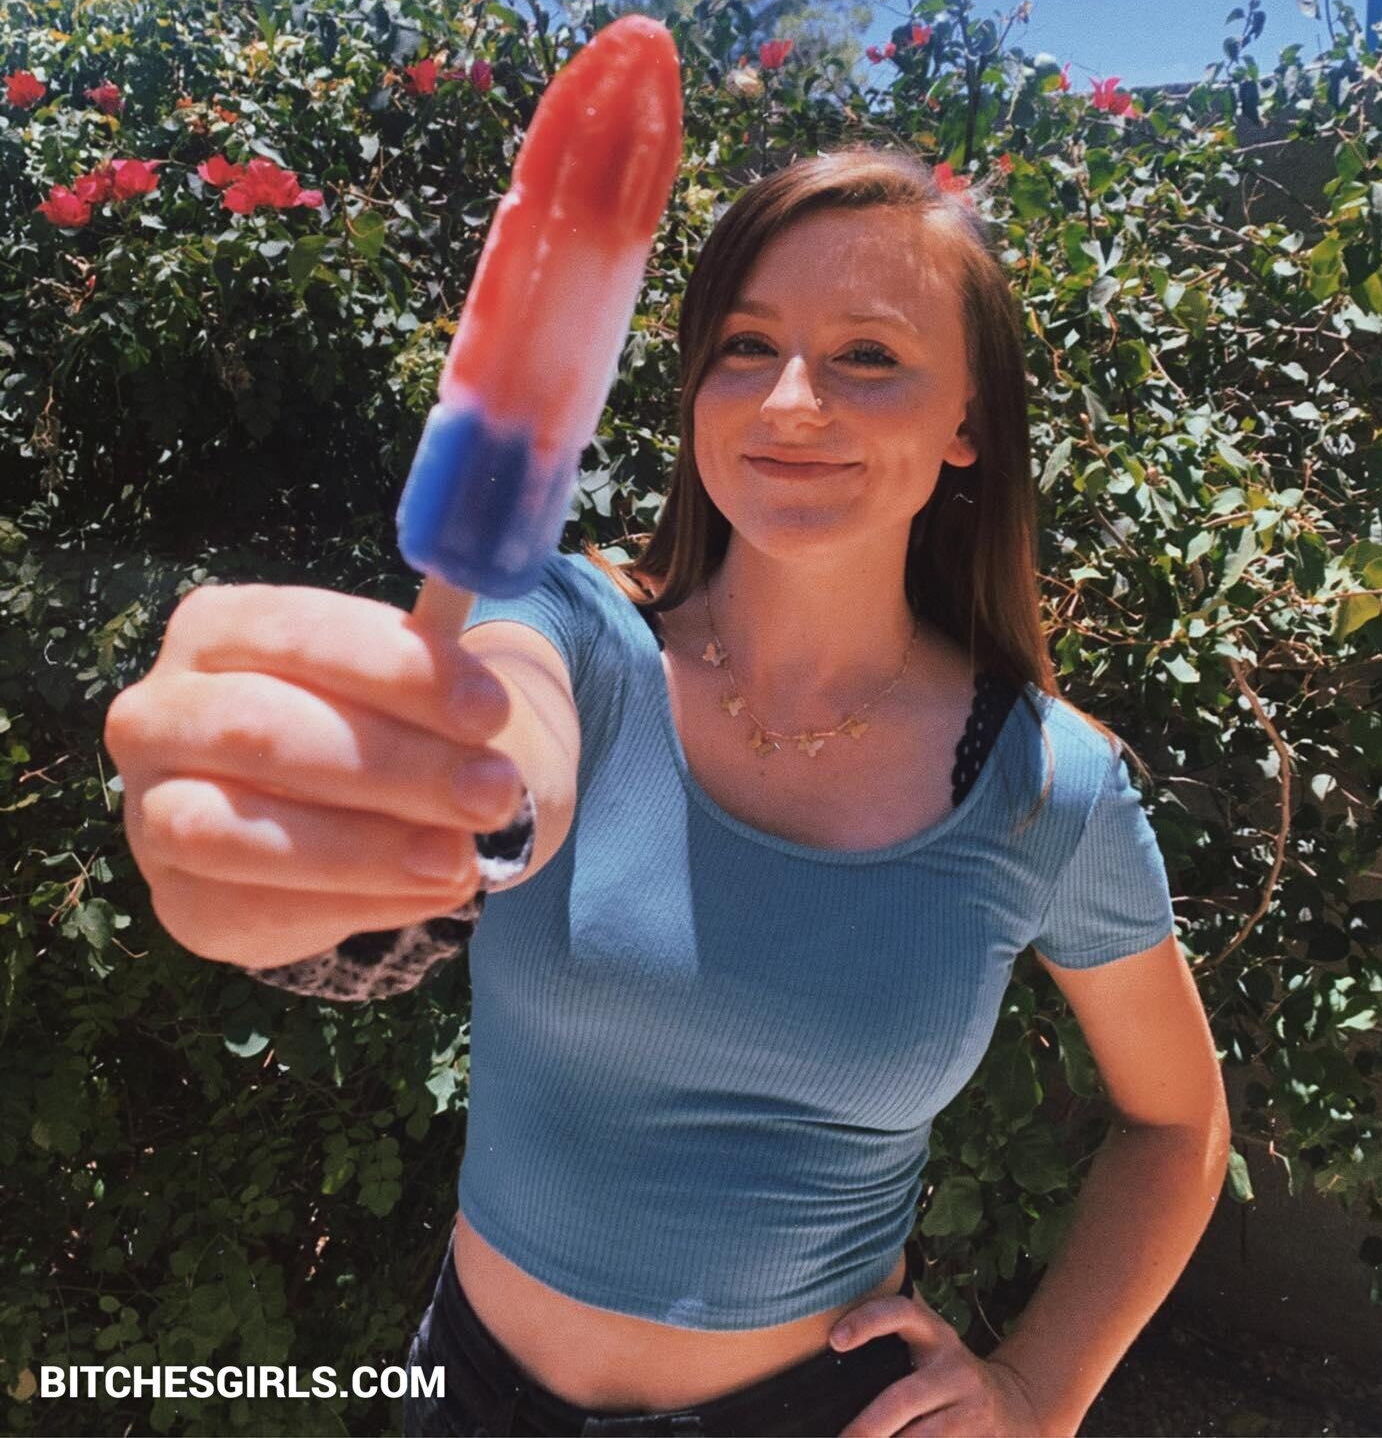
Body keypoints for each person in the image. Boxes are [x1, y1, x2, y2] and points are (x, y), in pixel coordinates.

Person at [104, 147, 1230, 1438]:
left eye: (867, 356)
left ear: (966, 423)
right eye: (746, 346)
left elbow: (1178, 1123)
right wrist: (351, 829)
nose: (789, 401)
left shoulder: (1044, 787)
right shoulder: (566, 629)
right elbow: (507, 756)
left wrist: (1036, 1395)